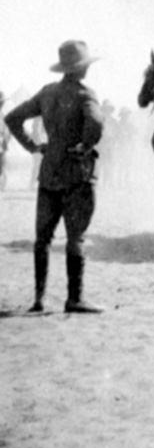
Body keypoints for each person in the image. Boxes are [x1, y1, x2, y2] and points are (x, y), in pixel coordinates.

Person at [4, 40, 104, 314]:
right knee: (76, 238)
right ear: (82, 69)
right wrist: (85, 145)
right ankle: (74, 298)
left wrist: (32, 147)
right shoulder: (86, 94)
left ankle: (39, 299)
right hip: (77, 173)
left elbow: (12, 118)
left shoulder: (47, 93)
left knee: (42, 239)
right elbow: (95, 123)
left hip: (49, 172)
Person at [0, 91, 11, 190]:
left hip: (2, 144)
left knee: (3, 166)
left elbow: (7, 131)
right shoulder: (3, 116)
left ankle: (2, 186)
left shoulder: (3, 115)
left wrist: (6, 141)